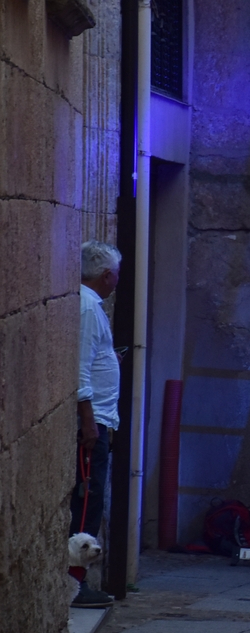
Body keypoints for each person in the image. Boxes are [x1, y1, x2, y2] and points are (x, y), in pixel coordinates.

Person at [71, 240, 122, 608]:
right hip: (94, 422)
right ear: (107, 275)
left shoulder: (90, 305)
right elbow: (81, 368)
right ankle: (75, 583)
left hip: (101, 419)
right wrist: (90, 423)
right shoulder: (88, 307)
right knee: (88, 504)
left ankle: (77, 581)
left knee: (92, 501)